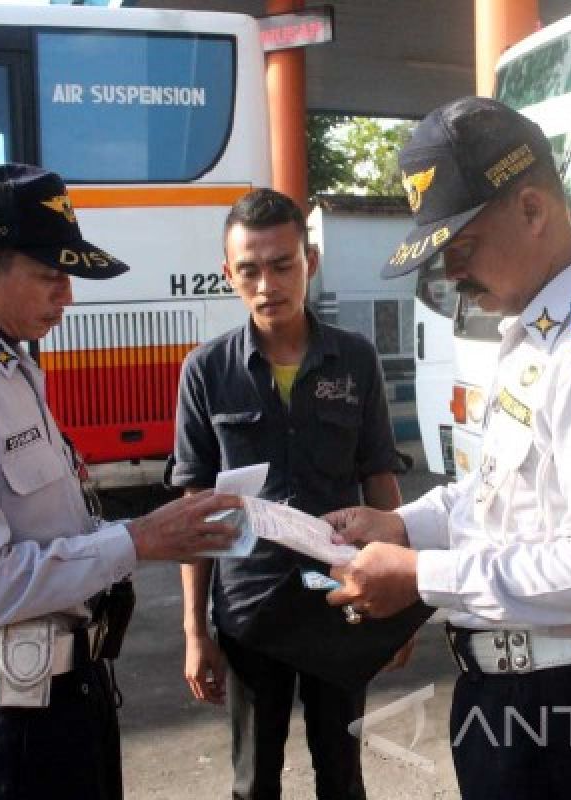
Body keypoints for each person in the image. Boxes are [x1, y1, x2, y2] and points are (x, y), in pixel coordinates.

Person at [323, 97, 571, 799]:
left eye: (461, 248)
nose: (454, 273)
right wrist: (404, 526)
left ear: (532, 209)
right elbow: (494, 493)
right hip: (510, 694)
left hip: (565, 706)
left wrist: (423, 575)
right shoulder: (539, 333)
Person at [0, 163, 244, 800]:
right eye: (50, 276)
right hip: (14, 723)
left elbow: (50, 528)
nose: (67, 296)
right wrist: (137, 540)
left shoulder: (4, 363)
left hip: (73, 695)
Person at [171, 188, 407, 800]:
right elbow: (195, 511)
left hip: (339, 600)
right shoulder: (206, 372)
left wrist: (402, 598)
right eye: (249, 270)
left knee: (341, 776)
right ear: (228, 274)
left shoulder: (355, 361)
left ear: (311, 260)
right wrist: (196, 632)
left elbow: (381, 480)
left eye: (283, 265)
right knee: (253, 783)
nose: (267, 285)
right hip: (251, 614)